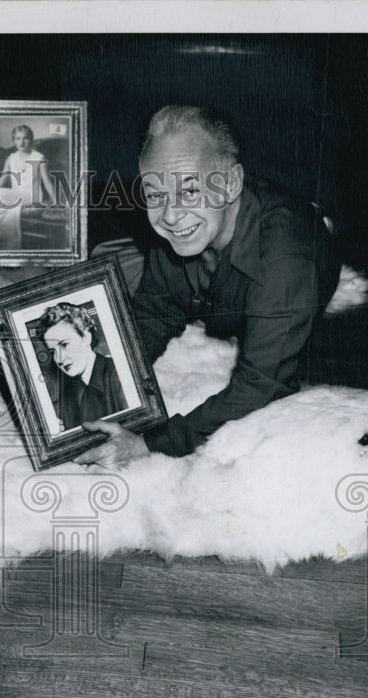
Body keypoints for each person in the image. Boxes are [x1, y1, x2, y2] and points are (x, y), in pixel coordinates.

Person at [76, 105, 341, 468]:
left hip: (287, 269)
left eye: (189, 190)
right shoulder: (178, 228)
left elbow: (261, 389)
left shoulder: (285, 261)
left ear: (231, 184)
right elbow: (154, 314)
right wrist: (97, 387)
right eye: (154, 195)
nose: (170, 215)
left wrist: (149, 444)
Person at [37, 302, 126, 432]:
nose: (59, 359)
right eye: (53, 352)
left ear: (86, 337)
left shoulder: (120, 375)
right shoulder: (67, 397)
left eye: (64, 345)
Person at [0, 124, 58, 250]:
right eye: (18, 138)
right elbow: (2, 179)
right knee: (2, 205)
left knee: (0, 194)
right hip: (15, 195)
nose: (22, 142)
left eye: (25, 138)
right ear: (14, 141)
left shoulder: (38, 158)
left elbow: (47, 181)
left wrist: (55, 202)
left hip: (32, 195)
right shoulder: (11, 158)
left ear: (31, 140)